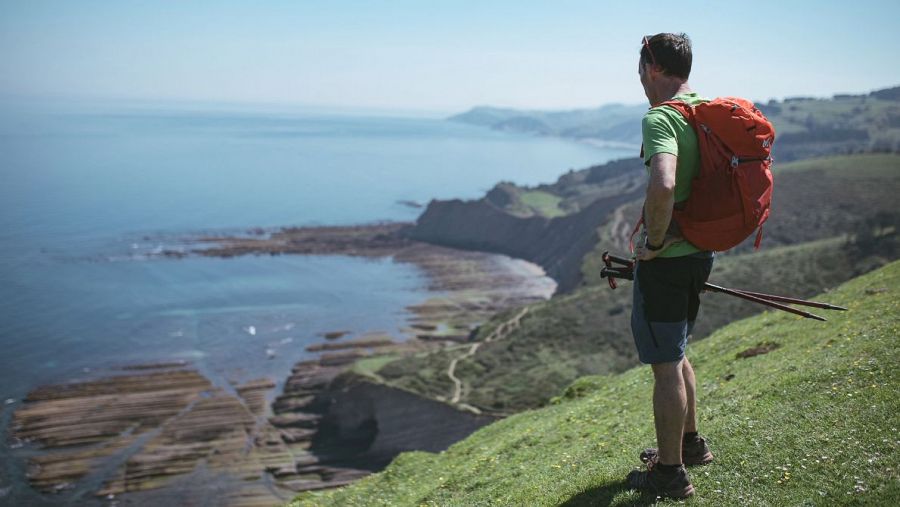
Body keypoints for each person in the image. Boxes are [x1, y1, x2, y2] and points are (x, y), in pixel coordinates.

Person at [626, 32, 715, 499]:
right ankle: (691, 443)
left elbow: (662, 184)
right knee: (678, 351)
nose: (639, 79)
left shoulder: (661, 117)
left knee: (664, 365)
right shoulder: (703, 109)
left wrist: (655, 243)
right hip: (700, 252)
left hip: (669, 259)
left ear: (653, 68)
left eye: (640, 68)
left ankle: (670, 473)